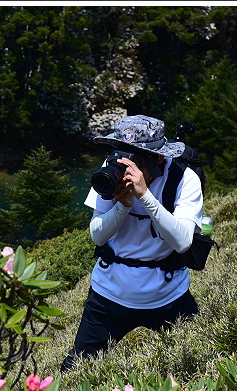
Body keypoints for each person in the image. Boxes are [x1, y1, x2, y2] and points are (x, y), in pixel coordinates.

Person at [61, 114, 203, 372]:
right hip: (109, 295)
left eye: (136, 158)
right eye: (121, 155)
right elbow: (98, 235)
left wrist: (145, 196)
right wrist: (123, 206)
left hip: (168, 296)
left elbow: (183, 242)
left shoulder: (184, 178)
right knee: (77, 369)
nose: (126, 168)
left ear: (159, 158)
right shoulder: (109, 171)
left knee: (198, 359)